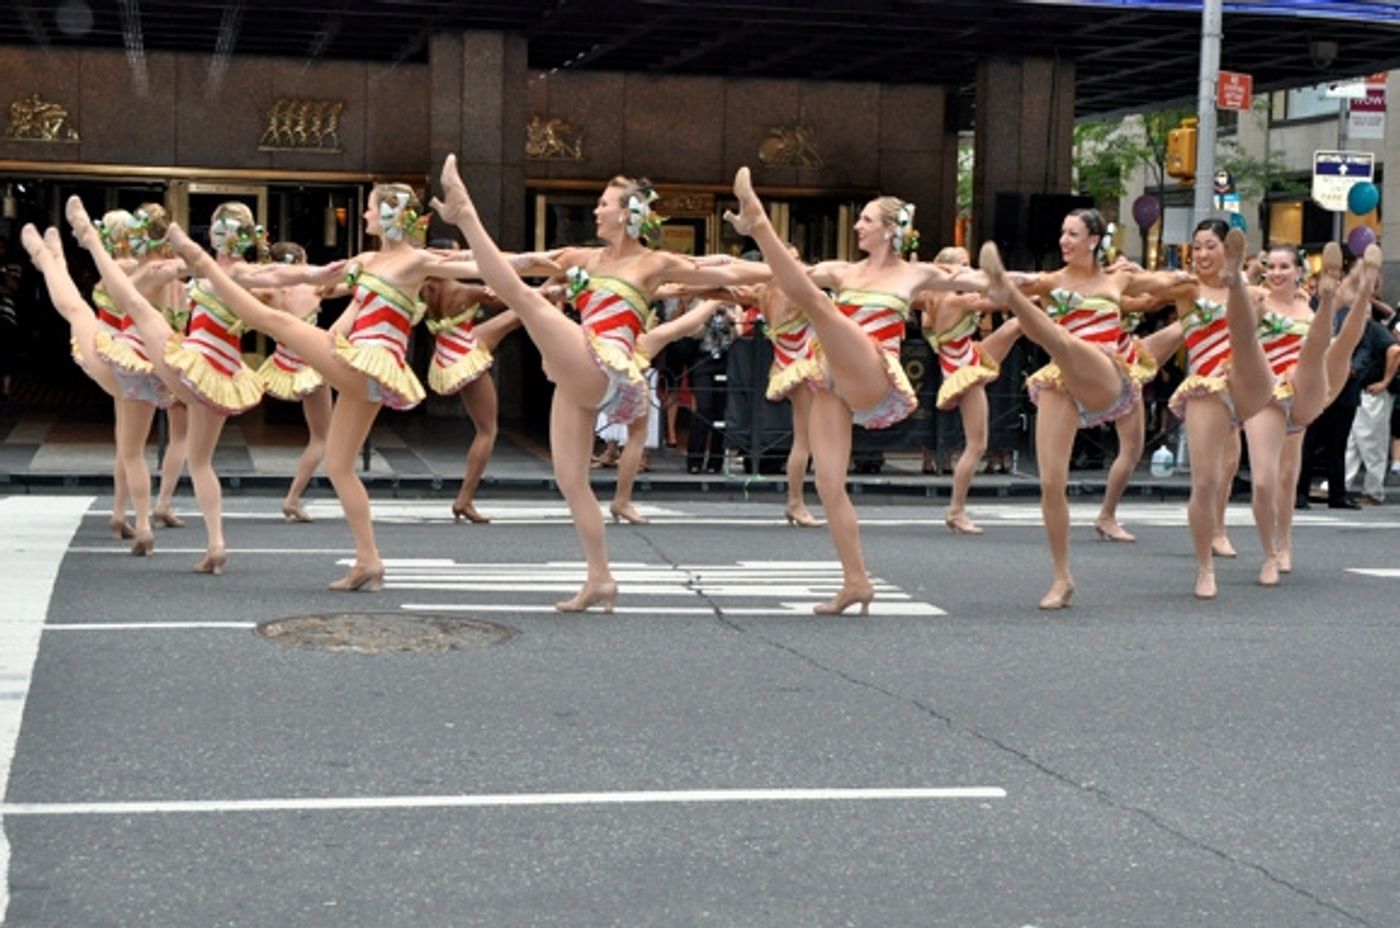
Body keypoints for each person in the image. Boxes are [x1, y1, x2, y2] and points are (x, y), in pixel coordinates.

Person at [431, 154, 770, 613]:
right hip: (577, 369)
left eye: (603, 203)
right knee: (570, 479)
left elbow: (728, 269)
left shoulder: (654, 263)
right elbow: (512, 262)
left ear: (629, 215)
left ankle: (468, 210)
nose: (595, 211)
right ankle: (600, 579)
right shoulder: (579, 257)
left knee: (526, 301)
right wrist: (444, 260)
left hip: (604, 365)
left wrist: (787, 261)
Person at [166, 184, 483, 590]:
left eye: (369, 209)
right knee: (337, 465)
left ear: (390, 215)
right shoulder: (369, 260)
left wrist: (470, 221)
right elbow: (343, 298)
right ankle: (369, 560)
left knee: (273, 322)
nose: (364, 216)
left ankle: (198, 261)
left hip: (373, 363)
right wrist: (321, 292)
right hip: (360, 368)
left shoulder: (417, 260)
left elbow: (490, 263)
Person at [725, 166, 982, 614]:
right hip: (832, 379)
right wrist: (708, 268)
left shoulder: (918, 274)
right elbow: (789, 275)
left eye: (865, 219)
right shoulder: (842, 271)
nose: (857, 226)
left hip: (873, 373)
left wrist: (1037, 285)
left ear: (889, 230)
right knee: (827, 483)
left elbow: (991, 284)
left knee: (820, 307)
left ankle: (760, 220)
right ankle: (856, 581)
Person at [990, 210, 1190, 608]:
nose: (1064, 240)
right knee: (1050, 482)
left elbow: (1172, 288)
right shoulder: (1049, 281)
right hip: (1061, 378)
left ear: (1094, 240)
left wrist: (1199, 279)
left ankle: (1108, 514)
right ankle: (1062, 577)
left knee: (1066, 345)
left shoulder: (1119, 279)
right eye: (1062, 233)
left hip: (1106, 370)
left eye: (1073, 234)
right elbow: (985, 293)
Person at [21, 208, 176, 557]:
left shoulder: (126, 268)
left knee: (76, 310)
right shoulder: (157, 270)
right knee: (128, 447)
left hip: (124, 360)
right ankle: (121, 515)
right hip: (141, 363)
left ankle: (49, 260)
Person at [917, 245, 1021, 535]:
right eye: (963, 266)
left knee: (1017, 325)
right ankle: (956, 509)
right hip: (964, 370)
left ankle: (1061, 338)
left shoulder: (931, 298)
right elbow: (998, 302)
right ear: (948, 271)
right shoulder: (955, 300)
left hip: (967, 356)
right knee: (977, 444)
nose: (969, 271)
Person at [421, 275, 521, 524]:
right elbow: (507, 300)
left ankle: (550, 291)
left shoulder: (424, 289)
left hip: (449, 351)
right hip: (466, 354)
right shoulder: (462, 290)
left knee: (514, 318)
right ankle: (464, 499)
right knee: (487, 430)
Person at [253, 241, 335, 523]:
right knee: (323, 436)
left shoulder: (270, 291)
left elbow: (236, 292)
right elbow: (347, 282)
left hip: (281, 360)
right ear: (302, 261)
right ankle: (292, 498)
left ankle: (165, 497)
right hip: (312, 360)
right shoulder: (314, 287)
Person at [1341, 273, 1399, 504]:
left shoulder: (1373, 329)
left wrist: (1384, 381)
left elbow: (1395, 351)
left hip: (1372, 390)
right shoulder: (1369, 327)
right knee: (1354, 441)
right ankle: (1345, 483)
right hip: (1363, 390)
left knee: (1370, 441)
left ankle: (1373, 490)